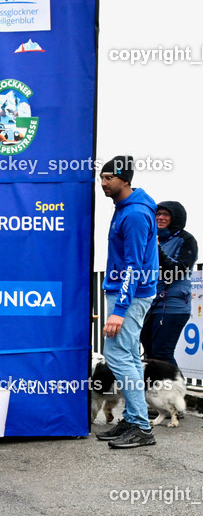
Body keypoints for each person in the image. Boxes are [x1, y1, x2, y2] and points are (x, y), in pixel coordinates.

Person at [95, 156, 159, 449]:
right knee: (130, 357)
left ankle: (142, 427)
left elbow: (134, 266)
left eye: (109, 177)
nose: (103, 182)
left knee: (119, 357)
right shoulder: (125, 209)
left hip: (129, 297)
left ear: (125, 180)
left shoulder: (133, 214)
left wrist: (119, 310)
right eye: (102, 177)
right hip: (129, 294)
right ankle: (134, 419)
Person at [142, 201, 197, 366]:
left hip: (173, 305)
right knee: (150, 355)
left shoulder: (186, 240)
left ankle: (177, 391)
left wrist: (157, 250)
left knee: (162, 354)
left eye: (166, 214)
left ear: (176, 218)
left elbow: (178, 270)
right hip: (149, 304)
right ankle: (156, 391)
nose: (160, 218)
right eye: (158, 214)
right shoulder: (150, 238)